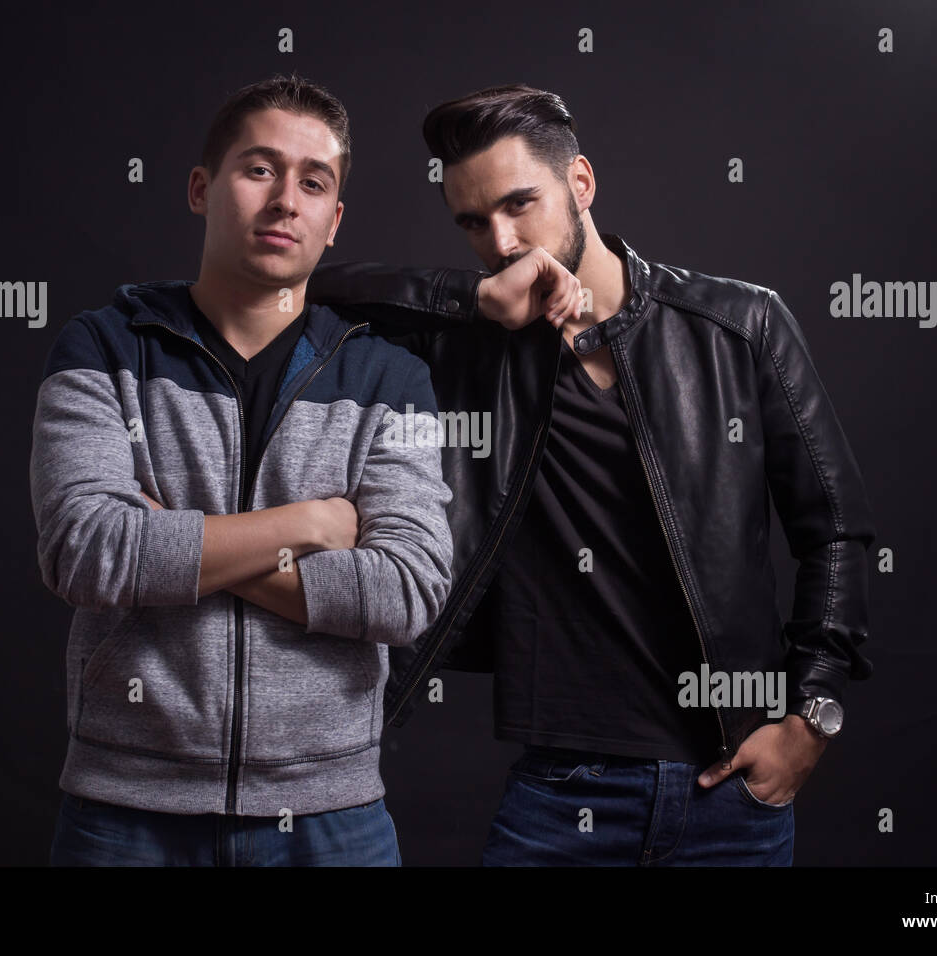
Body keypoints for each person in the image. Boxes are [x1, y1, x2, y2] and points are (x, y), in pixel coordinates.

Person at [306, 83, 876, 865]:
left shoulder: (737, 327)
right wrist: (472, 300)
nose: (502, 241)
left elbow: (838, 531)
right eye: (473, 222)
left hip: (731, 787)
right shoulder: (474, 341)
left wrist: (811, 718)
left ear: (581, 184)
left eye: (519, 205)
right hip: (561, 793)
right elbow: (302, 290)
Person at [29, 73, 453, 866]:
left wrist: (171, 543)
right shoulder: (104, 348)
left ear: (334, 220)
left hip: (333, 817)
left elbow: (408, 590)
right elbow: (86, 551)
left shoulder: (390, 379)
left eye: (313, 182)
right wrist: (310, 525)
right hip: (125, 812)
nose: (286, 199)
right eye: (259, 169)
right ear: (201, 188)